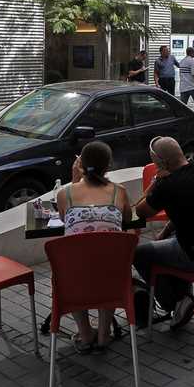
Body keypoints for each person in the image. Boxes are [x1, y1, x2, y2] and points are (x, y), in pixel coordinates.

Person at [134, 137, 194, 329]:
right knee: (167, 242)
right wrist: (164, 233)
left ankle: (174, 303)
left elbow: (140, 211)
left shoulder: (167, 185)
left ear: (161, 163)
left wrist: (154, 182)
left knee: (139, 254)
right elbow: (185, 213)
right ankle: (182, 298)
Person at [55, 140, 131, 350]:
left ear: (80, 163)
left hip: (74, 281)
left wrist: (74, 180)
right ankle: (104, 333)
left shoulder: (65, 193)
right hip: (112, 277)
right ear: (108, 166)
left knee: (74, 263)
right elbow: (127, 218)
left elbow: (64, 219)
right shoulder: (119, 192)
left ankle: (86, 333)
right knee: (107, 262)